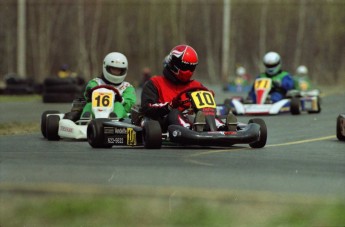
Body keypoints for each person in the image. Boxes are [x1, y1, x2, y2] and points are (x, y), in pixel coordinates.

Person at [141, 44, 235, 132]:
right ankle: (189, 129)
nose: (188, 71)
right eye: (185, 66)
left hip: (195, 119)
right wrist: (170, 106)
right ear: (174, 64)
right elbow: (147, 108)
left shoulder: (196, 85)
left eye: (191, 68)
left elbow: (207, 109)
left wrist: (208, 99)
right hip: (166, 121)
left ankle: (222, 127)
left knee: (206, 112)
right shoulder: (155, 83)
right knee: (175, 112)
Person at [80, 52, 136, 119]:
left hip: (119, 117)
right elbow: (88, 92)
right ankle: (84, 123)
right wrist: (90, 94)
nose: (116, 72)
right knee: (89, 105)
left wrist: (121, 100)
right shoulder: (96, 82)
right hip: (95, 113)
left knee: (118, 106)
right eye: (113, 69)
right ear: (106, 67)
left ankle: (114, 120)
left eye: (118, 70)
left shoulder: (127, 87)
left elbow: (130, 103)